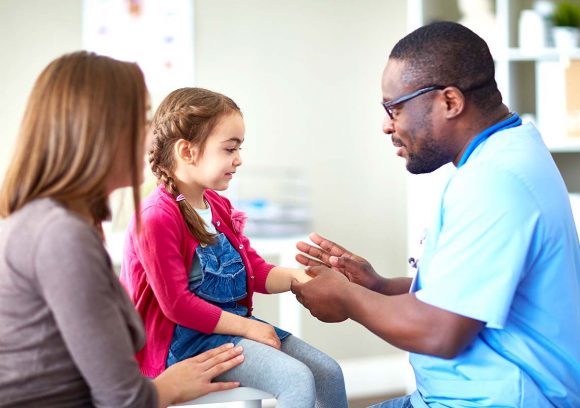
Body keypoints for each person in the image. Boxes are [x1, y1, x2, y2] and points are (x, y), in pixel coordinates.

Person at [291, 21, 580, 408]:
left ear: (449, 102)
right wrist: (377, 287)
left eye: (394, 107)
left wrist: (347, 299)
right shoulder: (506, 153)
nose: (386, 125)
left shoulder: (494, 181)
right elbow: (470, 291)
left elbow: (441, 332)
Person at [0, 51, 245, 408]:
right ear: (98, 130)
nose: (151, 140)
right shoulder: (61, 236)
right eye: (144, 122)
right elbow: (123, 399)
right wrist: (170, 386)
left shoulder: (52, 223)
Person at [120, 87, 348, 408]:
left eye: (239, 148)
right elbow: (177, 305)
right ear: (187, 152)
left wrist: (303, 277)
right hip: (183, 344)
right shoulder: (157, 217)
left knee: (329, 373)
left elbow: (254, 272)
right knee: (296, 378)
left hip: (230, 328)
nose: (238, 159)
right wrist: (248, 327)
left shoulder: (217, 205)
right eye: (230, 149)